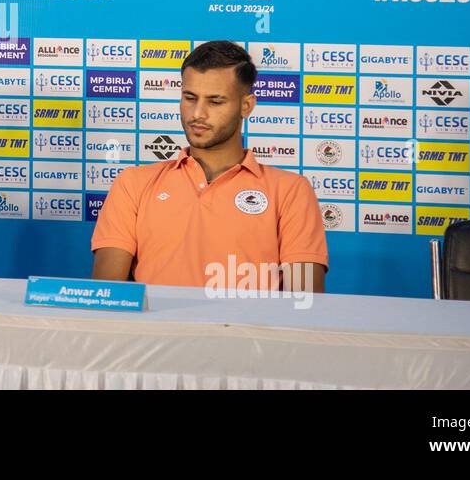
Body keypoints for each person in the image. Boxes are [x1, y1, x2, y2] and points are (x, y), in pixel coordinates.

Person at [91, 40, 328, 292]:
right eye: (190, 98)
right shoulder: (133, 183)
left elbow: (304, 302)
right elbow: (108, 296)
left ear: (246, 106)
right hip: (155, 332)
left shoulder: (291, 191)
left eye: (215, 101)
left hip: (246, 332)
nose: (198, 114)